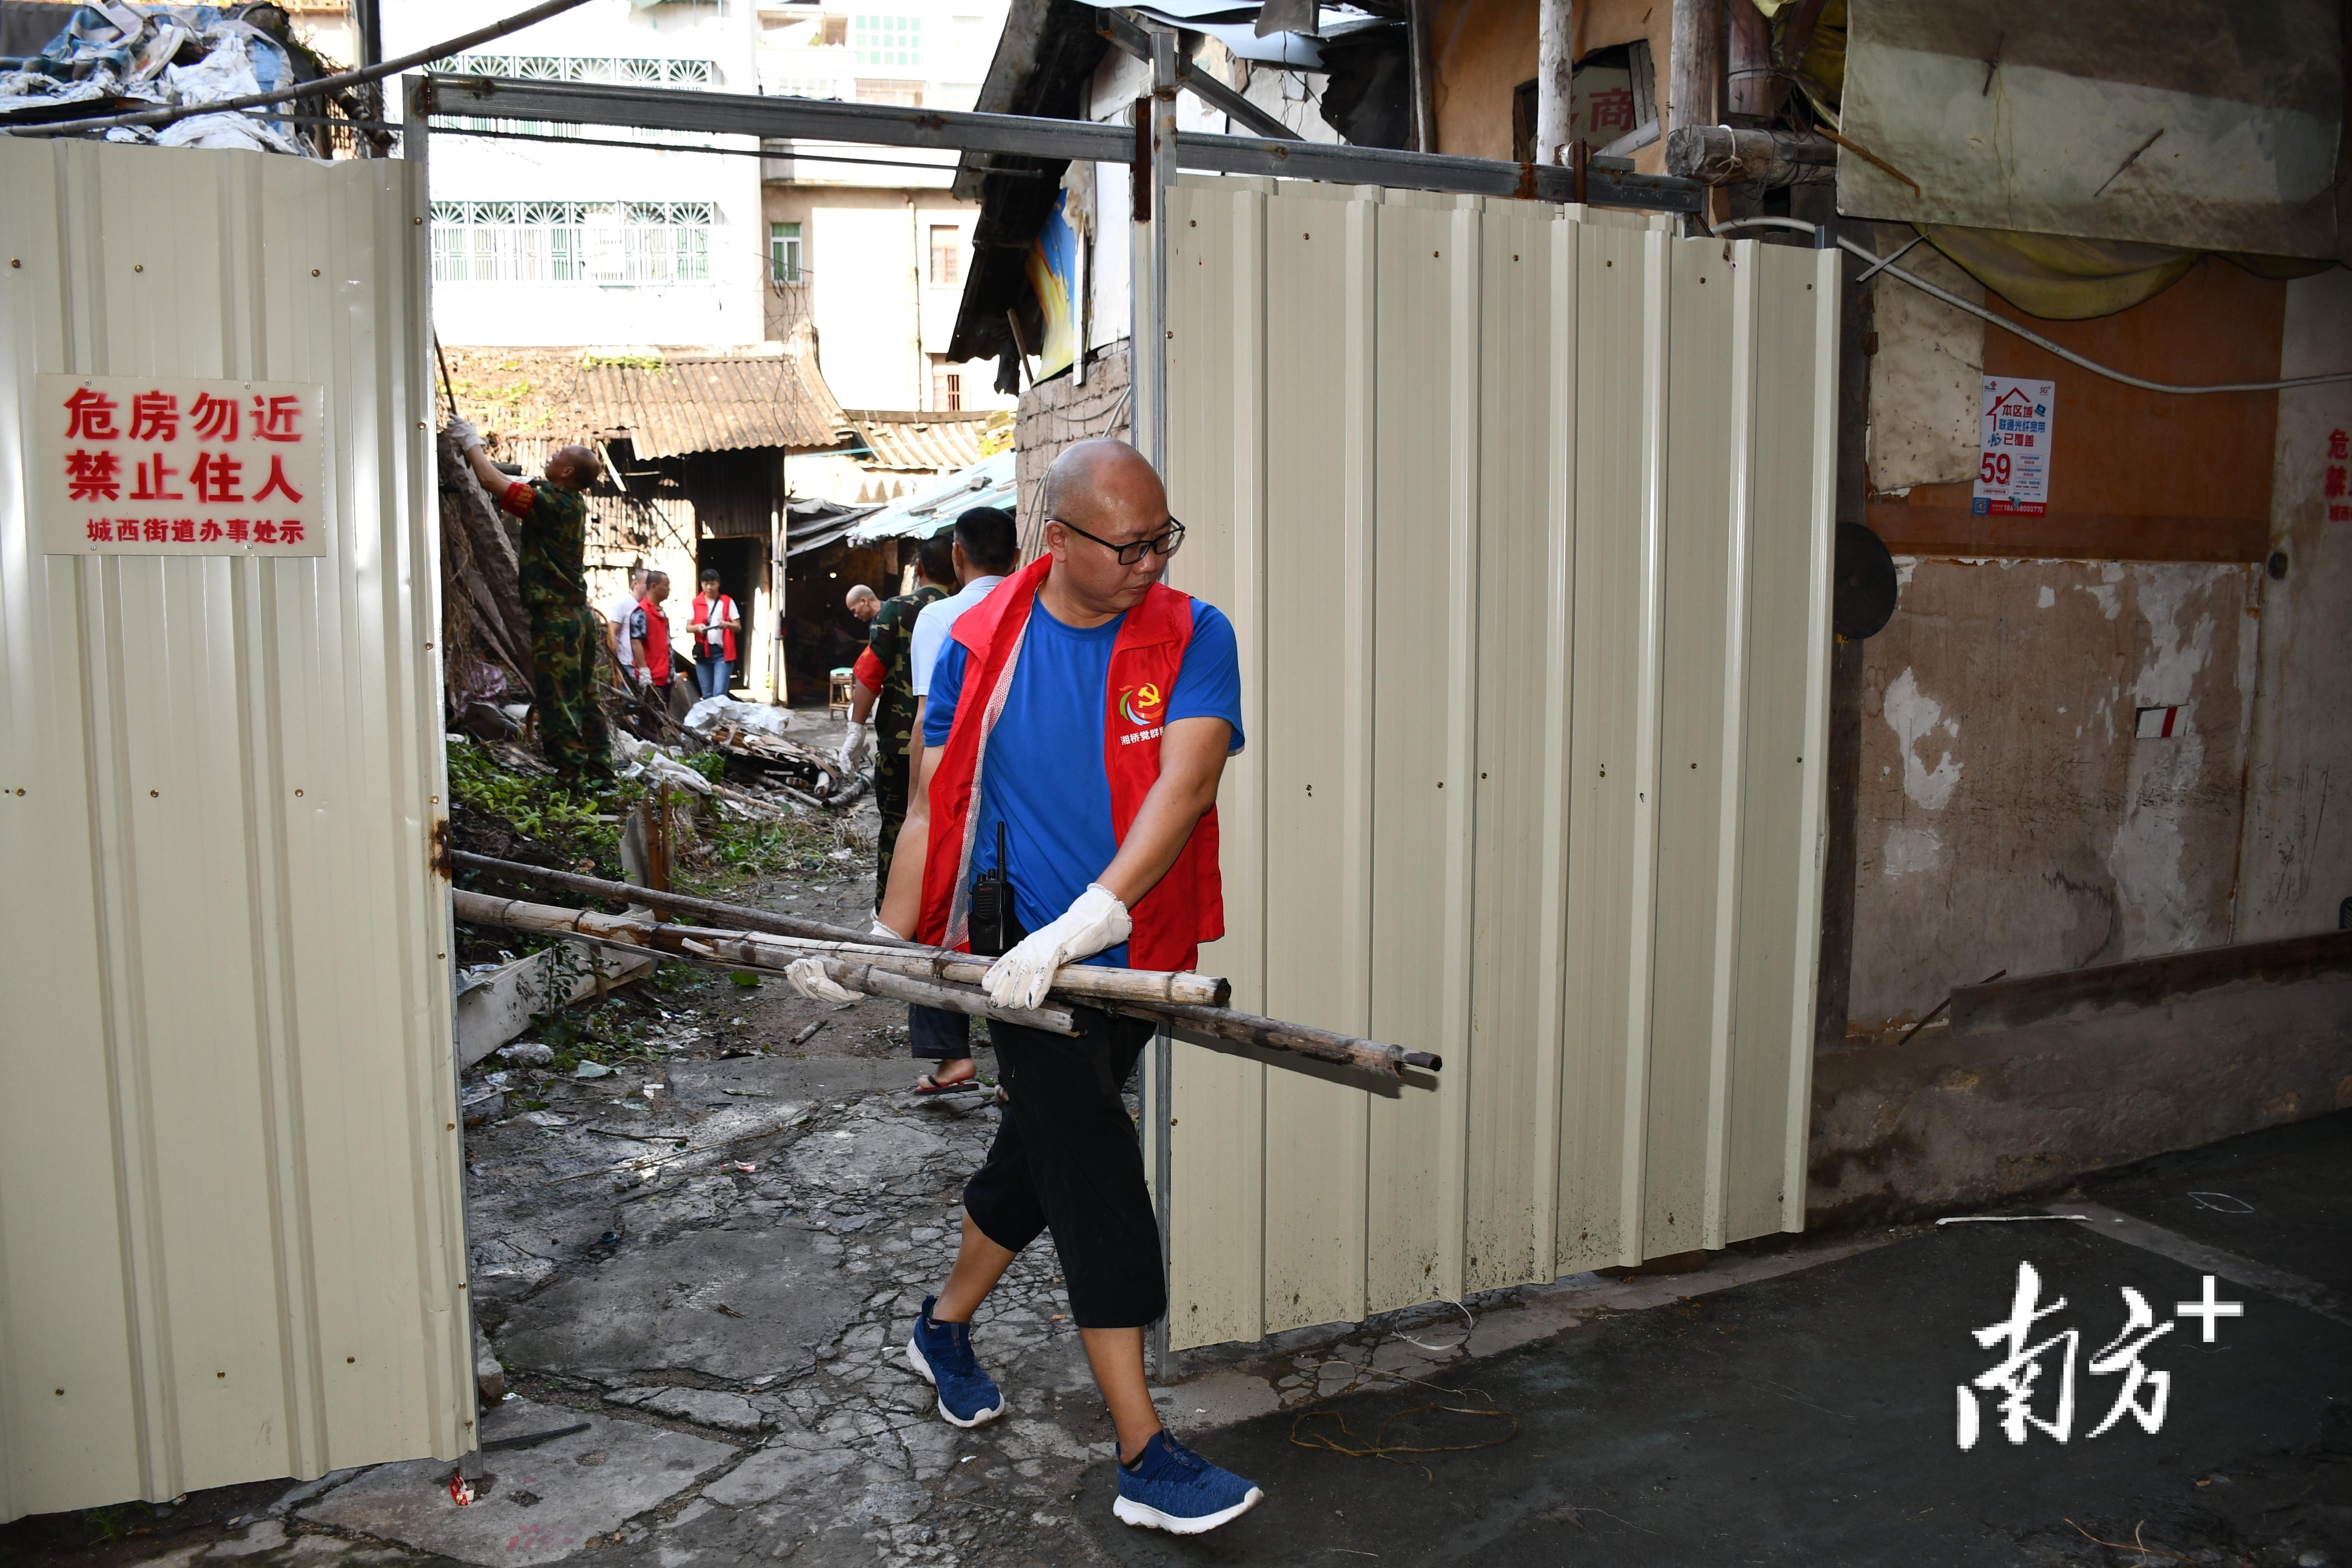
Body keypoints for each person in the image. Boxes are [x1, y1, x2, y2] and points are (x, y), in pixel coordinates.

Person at [872, 442, 1260, 1535]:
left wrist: (1097, 919)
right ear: (1059, 540)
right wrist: (886, 938)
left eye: (1161, 539)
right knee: (1091, 1161)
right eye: (1128, 545)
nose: (1151, 562)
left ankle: (941, 1327)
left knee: (1034, 1157)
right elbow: (928, 803)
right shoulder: (983, 641)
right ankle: (1144, 1452)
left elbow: (1184, 789)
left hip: (1125, 953)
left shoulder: (1194, 635)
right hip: (1017, 961)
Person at [885, 506, 1017, 1093]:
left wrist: (921, 804)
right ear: (1017, 555)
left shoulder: (940, 616)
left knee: (937, 910)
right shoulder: (1035, 604)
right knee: (1017, 915)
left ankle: (950, 1053)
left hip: (958, 789)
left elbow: (926, 719)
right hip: (1022, 787)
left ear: (957, 557)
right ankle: (1020, 1068)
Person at [449, 420, 612, 783]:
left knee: (559, 700)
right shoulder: (569, 503)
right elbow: (510, 487)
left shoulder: (552, 504)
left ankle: (571, 779)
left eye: (557, 456)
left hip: (557, 620)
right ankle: (601, 775)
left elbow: (492, 482)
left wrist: (471, 442)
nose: (551, 458)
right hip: (577, 618)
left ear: (567, 471)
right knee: (586, 696)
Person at [842, 532, 954, 900]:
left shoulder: (897, 610)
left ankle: (889, 913)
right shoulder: (969, 606)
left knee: (897, 825)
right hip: (956, 743)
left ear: (919, 567)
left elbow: (869, 674)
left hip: (901, 742)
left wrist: (855, 729)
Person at [688, 567, 740, 700]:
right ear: (701, 584)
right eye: (706, 584)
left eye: (712, 583)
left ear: (718, 584)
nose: (709, 587)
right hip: (703, 652)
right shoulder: (695, 603)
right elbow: (688, 628)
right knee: (707, 695)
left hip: (722, 652)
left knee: (719, 695)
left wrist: (727, 624)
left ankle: (720, 721)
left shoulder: (727, 602)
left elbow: (738, 627)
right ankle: (713, 721)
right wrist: (697, 627)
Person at [630, 569, 675, 705]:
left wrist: (672, 671)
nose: (669, 589)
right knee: (651, 720)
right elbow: (636, 642)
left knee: (663, 719)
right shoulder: (642, 612)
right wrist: (644, 670)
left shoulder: (660, 612)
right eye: (666, 585)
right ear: (654, 587)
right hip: (652, 677)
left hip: (665, 675)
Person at [603, 564, 647, 686]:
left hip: (642, 664)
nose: (648, 587)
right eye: (645, 583)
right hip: (627, 663)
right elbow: (612, 631)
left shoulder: (646, 606)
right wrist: (616, 661)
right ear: (636, 584)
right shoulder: (624, 604)